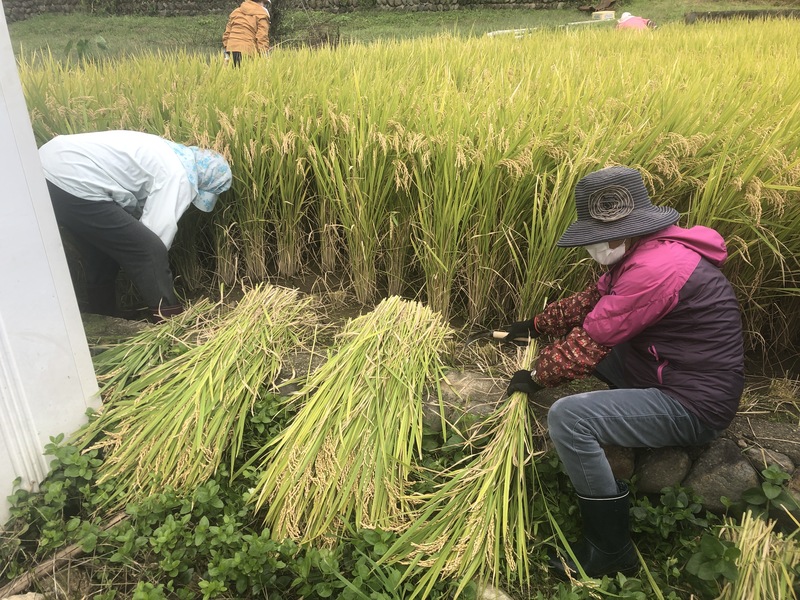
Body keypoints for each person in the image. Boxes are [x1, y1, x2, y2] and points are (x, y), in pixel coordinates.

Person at [502, 166, 744, 579]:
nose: (592, 246)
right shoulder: (649, 251)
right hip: (666, 370)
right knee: (603, 356)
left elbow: (588, 343)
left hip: (693, 403)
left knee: (569, 417)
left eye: (598, 237)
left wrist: (536, 376)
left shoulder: (655, 269)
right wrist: (536, 326)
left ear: (627, 230)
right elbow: (591, 302)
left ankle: (610, 549)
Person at [39, 130, 232, 321]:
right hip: (72, 177)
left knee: (101, 251)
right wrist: (154, 263)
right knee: (149, 249)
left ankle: (103, 317)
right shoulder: (180, 174)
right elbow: (156, 232)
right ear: (204, 179)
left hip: (48, 170)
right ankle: (171, 321)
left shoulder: (169, 153)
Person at [222, 0, 271, 67]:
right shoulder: (262, 14)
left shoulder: (235, 12)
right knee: (247, 73)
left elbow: (226, 35)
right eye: (264, 3)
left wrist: (226, 50)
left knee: (233, 72)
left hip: (231, 49)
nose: (264, 6)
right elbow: (262, 37)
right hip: (248, 51)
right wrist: (265, 56)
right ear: (260, 2)